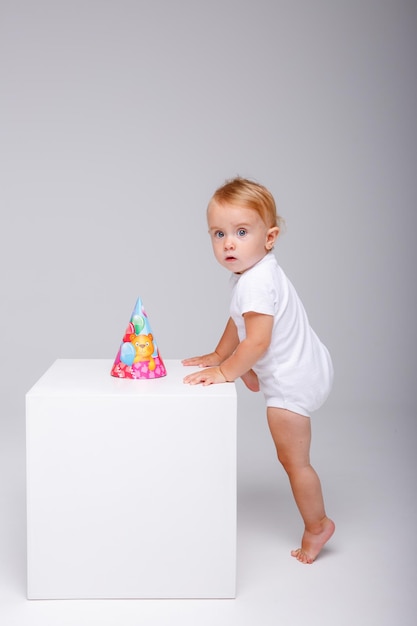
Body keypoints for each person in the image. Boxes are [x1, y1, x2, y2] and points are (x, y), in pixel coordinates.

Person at [182, 177, 335, 564]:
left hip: (293, 382)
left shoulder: (255, 282)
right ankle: (252, 372)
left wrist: (226, 372)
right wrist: (220, 354)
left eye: (241, 232)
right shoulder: (256, 273)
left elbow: (258, 341)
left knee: (293, 461)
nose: (228, 242)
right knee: (243, 356)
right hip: (306, 358)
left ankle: (318, 525)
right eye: (219, 233)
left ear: (270, 237)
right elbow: (239, 323)